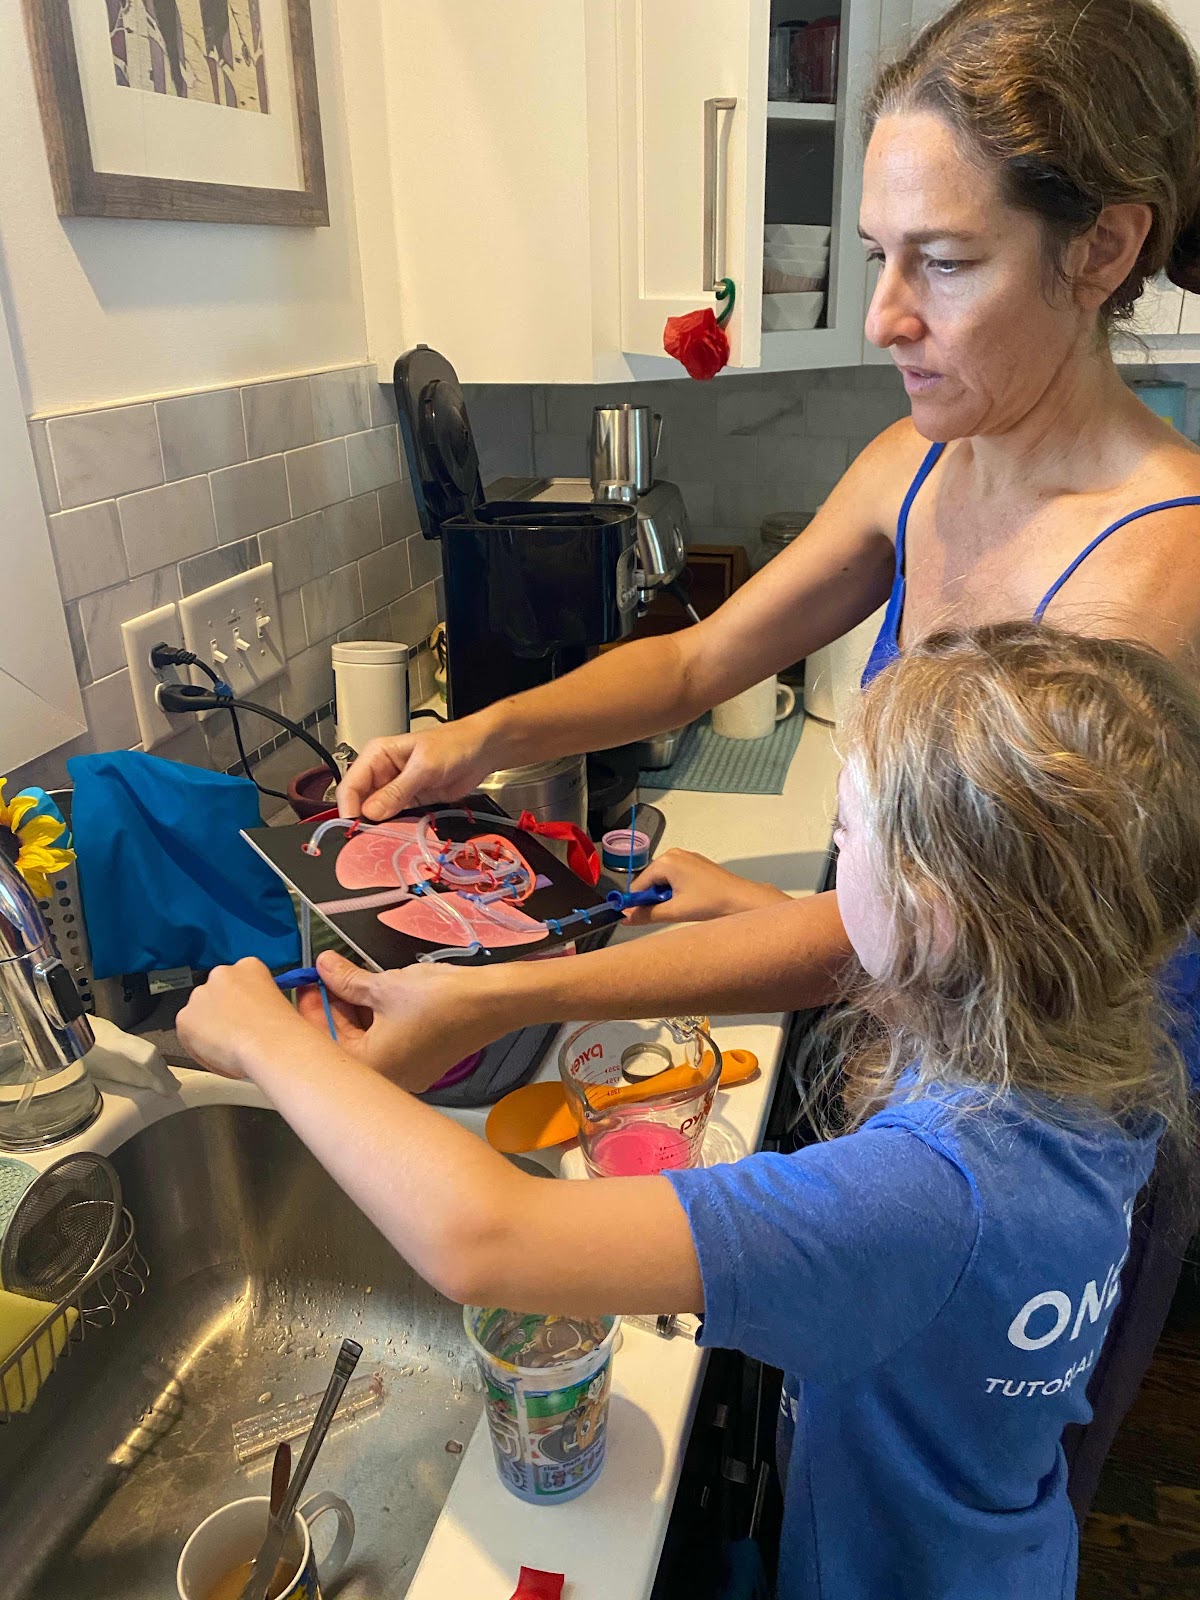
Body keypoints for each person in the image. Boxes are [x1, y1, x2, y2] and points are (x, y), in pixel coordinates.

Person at [179, 624, 1200, 1600]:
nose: (834, 857)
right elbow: (916, 966)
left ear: (932, 916)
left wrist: (268, 1043)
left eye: (849, 837)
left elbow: (483, 1238)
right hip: (1007, 1550)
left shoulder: (921, 1203)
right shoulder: (1090, 1067)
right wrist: (745, 902)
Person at [332, 0, 1200, 1059]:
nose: (883, 318)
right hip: (917, 1041)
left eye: (945, 261)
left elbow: (963, 945)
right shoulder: (917, 464)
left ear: (1103, 248)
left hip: (1057, 1114)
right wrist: (471, 741)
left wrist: (504, 995)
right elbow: (696, 663)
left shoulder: (1157, 566)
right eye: (880, 255)